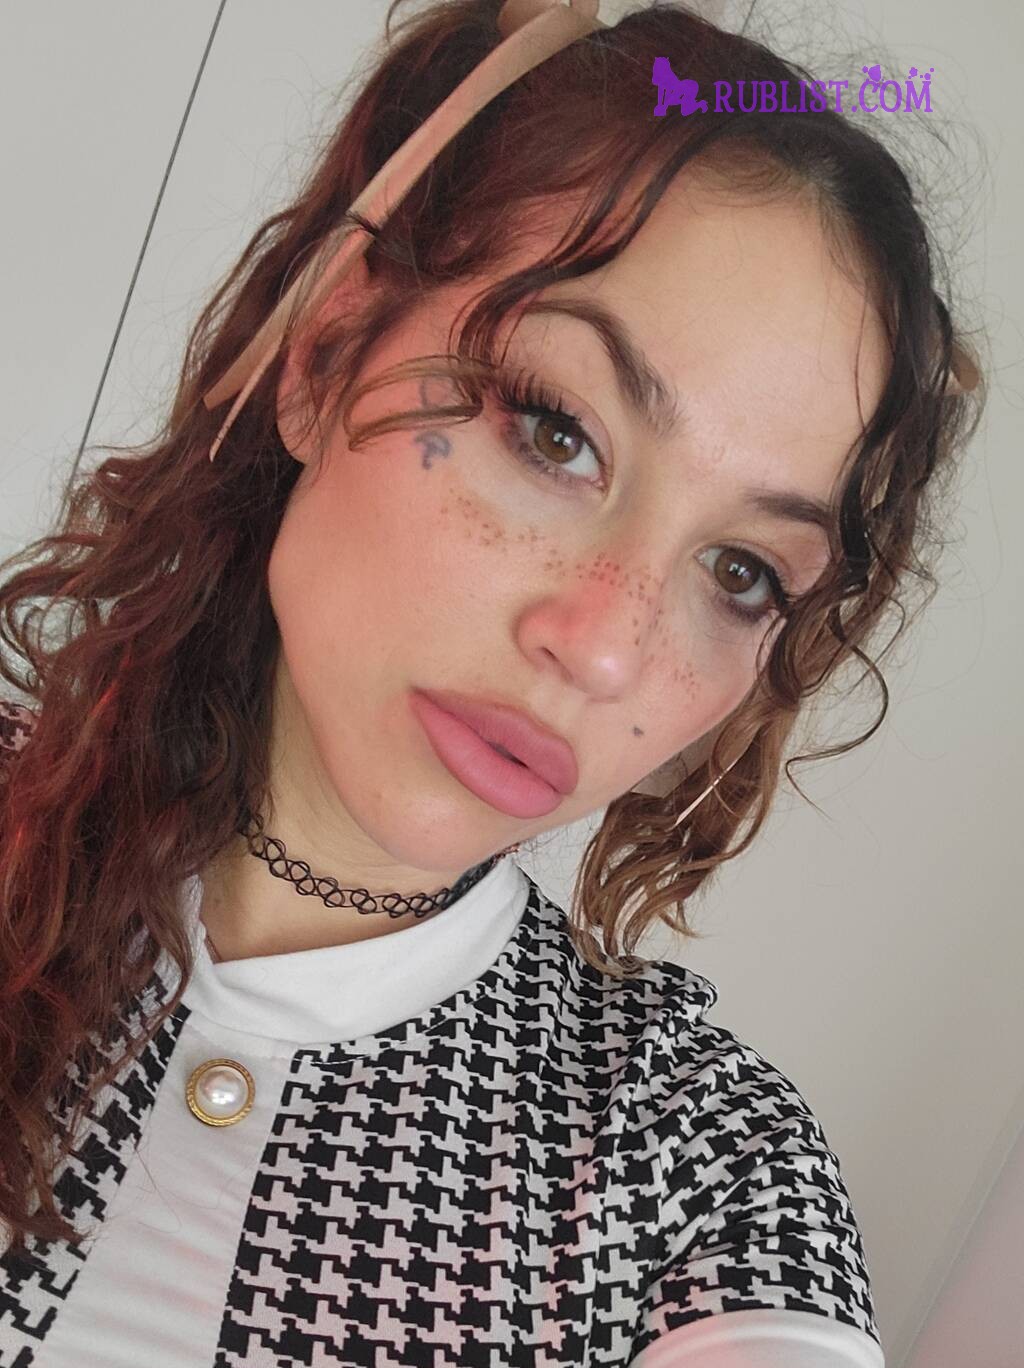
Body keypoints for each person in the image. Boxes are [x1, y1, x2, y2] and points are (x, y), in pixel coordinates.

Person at [0, 1, 984, 1365]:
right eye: (557, 430)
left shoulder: (704, 1171)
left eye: (742, 571)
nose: (606, 647)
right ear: (325, 354)